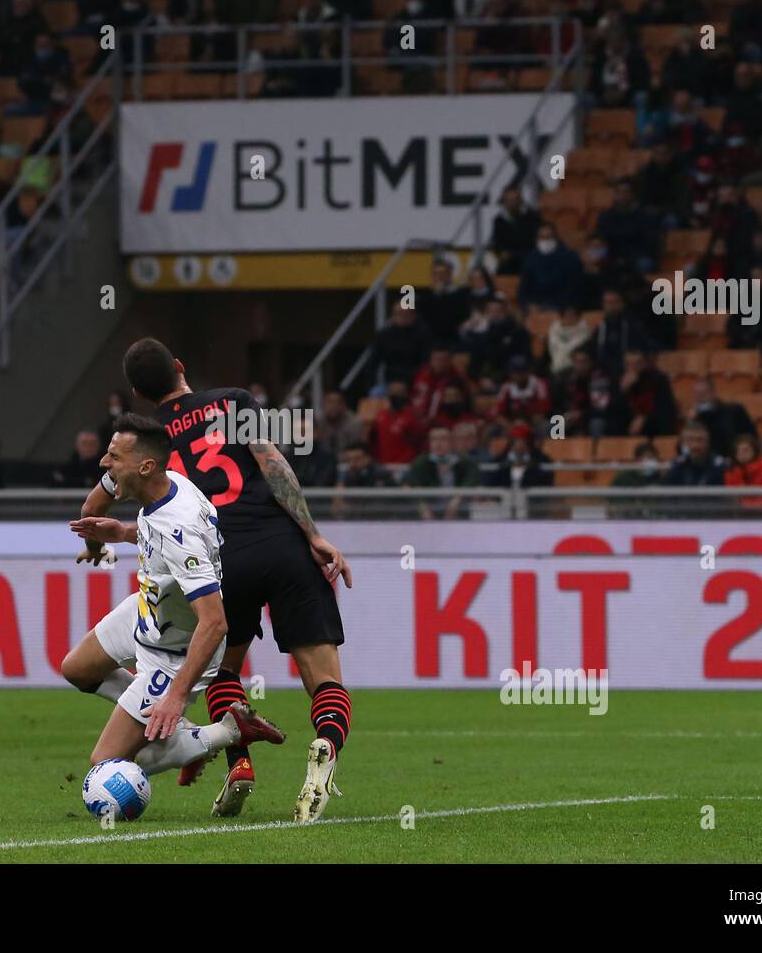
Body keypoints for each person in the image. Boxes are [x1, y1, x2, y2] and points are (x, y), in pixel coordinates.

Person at [75, 339, 354, 823]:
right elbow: (274, 465)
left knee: (227, 674)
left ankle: (239, 761)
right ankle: (325, 745)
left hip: (221, 560)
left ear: (139, 394)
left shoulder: (147, 441)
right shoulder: (234, 402)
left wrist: (102, 544)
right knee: (324, 677)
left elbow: (93, 508)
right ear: (181, 367)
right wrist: (312, 533)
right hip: (282, 545)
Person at [63, 415, 287, 792]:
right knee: (78, 668)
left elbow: (215, 623)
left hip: (174, 652)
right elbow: (161, 538)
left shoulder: (177, 529)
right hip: (150, 612)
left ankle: (227, 730)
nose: (104, 463)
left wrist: (175, 696)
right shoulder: (174, 485)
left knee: (105, 764)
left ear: (145, 465)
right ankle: (172, 729)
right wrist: (122, 532)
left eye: (114, 457)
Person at [403, 426, 479, 520]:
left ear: (452, 442)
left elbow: (471, 480)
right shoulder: (420, 463)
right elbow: (411, 486)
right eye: (434, 439)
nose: (438, 443)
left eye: (443, 439)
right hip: (428, 513)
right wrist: (423, 507)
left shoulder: (465, 462)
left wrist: (457, 500)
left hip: (458, 512)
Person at [724, 432, 762, 514]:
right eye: (737, 451)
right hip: (739, 515)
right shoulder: (731, 471)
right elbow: (731, 498)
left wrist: (745, 506)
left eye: (745, 450)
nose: (741, 454)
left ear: (755, 450)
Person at [663, 421, 726, 486]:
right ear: (683, 442)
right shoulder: (677, 466)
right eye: (690, 440)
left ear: (707, 442)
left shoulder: (720, 466)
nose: (695, 445)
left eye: (700, 440)